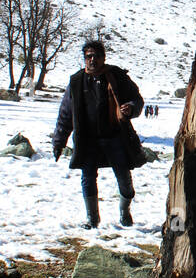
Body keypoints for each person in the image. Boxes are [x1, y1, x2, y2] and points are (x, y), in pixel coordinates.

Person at [51, 40, 146, 228]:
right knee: (87, 178)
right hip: (88, 140)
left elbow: (137, 99)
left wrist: (132, 108)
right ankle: (92, 219)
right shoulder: (76, 82)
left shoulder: (117, 77)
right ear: (84, 59)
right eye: (88, 56)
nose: (92, 60)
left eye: (96, 56)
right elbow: (65, 114)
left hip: (115, 137)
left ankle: (124, 211)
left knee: (124, 178)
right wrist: (59, 141)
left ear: (104, 58)